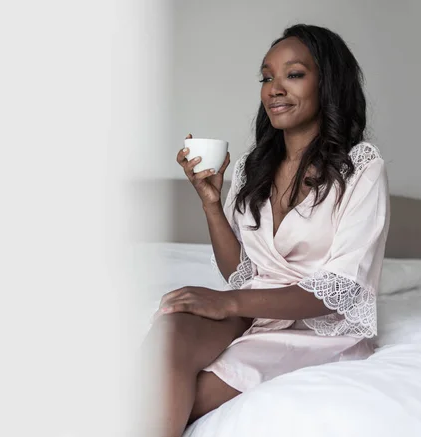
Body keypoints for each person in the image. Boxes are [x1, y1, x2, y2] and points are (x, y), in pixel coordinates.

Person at [141, 24, 390, 437]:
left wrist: (229, 303)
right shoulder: (251, 167)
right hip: (254, 310)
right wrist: (210, 203)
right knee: (171, 328)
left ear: (327, 83)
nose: (274, 88)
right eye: (267, 77)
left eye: (293, 74)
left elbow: (342, 288)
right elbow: (240, 272)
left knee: (174, 397)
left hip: (314, 329)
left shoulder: (361, 167)